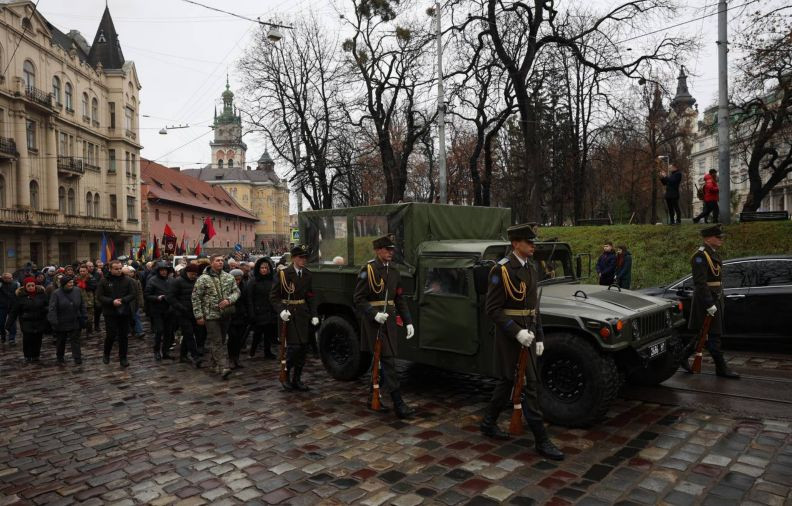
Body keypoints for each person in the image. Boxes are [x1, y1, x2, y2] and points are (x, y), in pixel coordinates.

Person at [480, 223, 564, 460]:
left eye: (533, 243)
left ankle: (488, 423)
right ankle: (542, 441)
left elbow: (533, 308)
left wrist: (539, 336)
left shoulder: (532, 268)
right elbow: (492, 309)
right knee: (522, 384)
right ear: (516, 243)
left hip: (529, 334)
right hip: (510, 338)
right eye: (529, 242)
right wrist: (516, 332)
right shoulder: (501, 270)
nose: (533, 246)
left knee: (515, 382)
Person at [353, 236, 415, 418]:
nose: (390, 252)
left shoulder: (394, 271)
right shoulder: (369, 270)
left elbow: (399, 299)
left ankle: (373, 395)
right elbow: (358, 299)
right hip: (374, 323)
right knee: (388, 362)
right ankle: (399, 404)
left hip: (389, 322)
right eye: (387, 249)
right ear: (378, 250)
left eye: (392, 250)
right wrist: (374, 314)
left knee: (381, 361)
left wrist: (408, 321)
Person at [681, 224, 740, 379]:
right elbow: (700, 284)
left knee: (703, 334)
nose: (721, 240)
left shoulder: (713, 253)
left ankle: (682, 356)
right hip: (705, 301)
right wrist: (709, 304)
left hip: (715, 298)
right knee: (713, 335)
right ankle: (721, 368)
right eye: (718, 237)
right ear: (708, 238)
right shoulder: (700, 256)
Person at [270, 245, 319, 392]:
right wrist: (281, 311)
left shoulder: (308, 274)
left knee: (303, 348)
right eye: (300, 257)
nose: (303, 260)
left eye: (305, 258)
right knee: (293, 348)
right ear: (293, 258)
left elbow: (310, 296)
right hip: (288, 314)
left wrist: (314, 314)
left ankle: (297, 378)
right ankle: (284, 374)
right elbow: (273, 296)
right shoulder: (284, 274)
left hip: (303, 314)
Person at [192, 254, 240, 380]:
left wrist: (229, 300)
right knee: (217, 341)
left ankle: (214, 363)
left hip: (225, 314)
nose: (220, 263)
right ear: (211, 263)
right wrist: (199, 316)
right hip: (210, 315)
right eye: (217, 261)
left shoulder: (229, 277)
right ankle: (223, 367)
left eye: (222, 261)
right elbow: (196, 298)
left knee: (222, 340)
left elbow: (237, 292)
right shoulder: (203, 279)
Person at [96, 260, 137, 367]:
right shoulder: (104, 281)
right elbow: (99, 296)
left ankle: (123, 357)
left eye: (120, 268)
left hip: (124, 311)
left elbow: (132, 294)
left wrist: (123, 300)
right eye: (116, 269)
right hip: (110, 312)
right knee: (111, 334)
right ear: (110, 269)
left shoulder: (128, 280)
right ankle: (106, 354)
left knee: (124, 336)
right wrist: (111, 301)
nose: (119, 270)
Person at [167, 262, 203, 366]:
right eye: (192, 274)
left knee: (191, 334)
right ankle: (195, 357)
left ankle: (183, 356)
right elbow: (170, 297)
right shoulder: (177, 281)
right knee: (189, 333)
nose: (194, 276)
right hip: (181, 313)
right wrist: (181, 307)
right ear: (187, 272)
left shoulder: (197, 281)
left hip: (194, 312)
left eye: (195, 274)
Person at [6, 277, 49, 363]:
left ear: (35, 286)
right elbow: (14, 312)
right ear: (25, 286)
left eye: (32, 285)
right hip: (26, 321)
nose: (31, 287)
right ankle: (27, 355)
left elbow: (48, 306)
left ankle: (36, 355)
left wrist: (44, 310)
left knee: (38, 340)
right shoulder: (20, 297)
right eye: (28, 286)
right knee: (28, 340)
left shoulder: (42, 295)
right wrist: (9, 324)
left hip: (39, 321)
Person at [47, 275, 87, 366]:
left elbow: (82, 304)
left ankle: (77, 357)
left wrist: (84, 316)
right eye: (69, 283)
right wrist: (53, 321)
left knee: (75, 340)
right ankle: (60, 357)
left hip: (74, 319)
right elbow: (52, 308)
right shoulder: (56, 293)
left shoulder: (77, 290)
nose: (71, 284)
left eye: (72, 282)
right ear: (63, 284)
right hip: (61, 321)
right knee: (61, 340)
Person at [246, 256, 277, 359]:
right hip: (258, 311)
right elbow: (249, 298)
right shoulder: (253, 282)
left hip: (270, 311)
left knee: (269, 333)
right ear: (258, 269)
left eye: (266, 268)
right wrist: (251, 313)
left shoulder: (272, 280)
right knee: (257, 334)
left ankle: (267, 352)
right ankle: (252, 351)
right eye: (262, 268)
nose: (264, 270)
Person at [145, 261, 176, 361]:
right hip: (157, 310)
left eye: (165, 270)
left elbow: (176, 293)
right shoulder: (152, 280)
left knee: (168, 332)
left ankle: (166, 351)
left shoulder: (171, 280)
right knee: (159, 331)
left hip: (169, 310)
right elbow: (147, 295)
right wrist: (157, 298)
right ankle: (157, 351)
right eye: (162, 270)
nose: (164, 272)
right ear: (158, 271)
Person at [227, 269, 248, 369]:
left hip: (242, 316)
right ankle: (231, 358)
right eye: (235, 279)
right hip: (231, 316)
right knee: (232, 338)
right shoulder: (227, 287)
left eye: (239, 279)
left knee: (240, 339)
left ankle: (237, 358)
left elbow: (247, 300)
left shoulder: (245, 286)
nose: (237, 281)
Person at [76, 265, 97, 337]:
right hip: (79, 301)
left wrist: (85, 284)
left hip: (89, 301)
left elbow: (93, 287)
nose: (82, 272)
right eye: (81, 271)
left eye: (83, 271)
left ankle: (89, 332)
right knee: (78, 317)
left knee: (89, 318)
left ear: (87, 271)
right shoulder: (76, 278)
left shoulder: (91, 278)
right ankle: (78, 332)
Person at [0, 272, 19, 344]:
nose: (11, 279)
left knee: (12, 322)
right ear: (4, 278)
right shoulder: (1, 284)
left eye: (11, 278)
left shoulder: (15, 284)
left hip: (12, 306)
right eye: (8, 278)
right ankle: (3, 335)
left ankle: (12, 338)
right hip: (2, 306)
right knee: (1, 322)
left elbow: (18, 294)